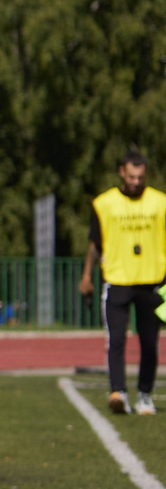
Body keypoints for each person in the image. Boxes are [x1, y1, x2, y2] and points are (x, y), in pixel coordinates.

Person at [82, 148, 165, 415]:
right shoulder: (104, 204)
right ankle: (118, 392)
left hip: (152, 281)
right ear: (121, 173)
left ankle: (144, 395)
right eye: (131, 176)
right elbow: (95, 243)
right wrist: (86, 276)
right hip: (117, 280)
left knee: (149, 343)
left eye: (140, 177)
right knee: (116, 339)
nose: (136, 182)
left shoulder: (160, 202)